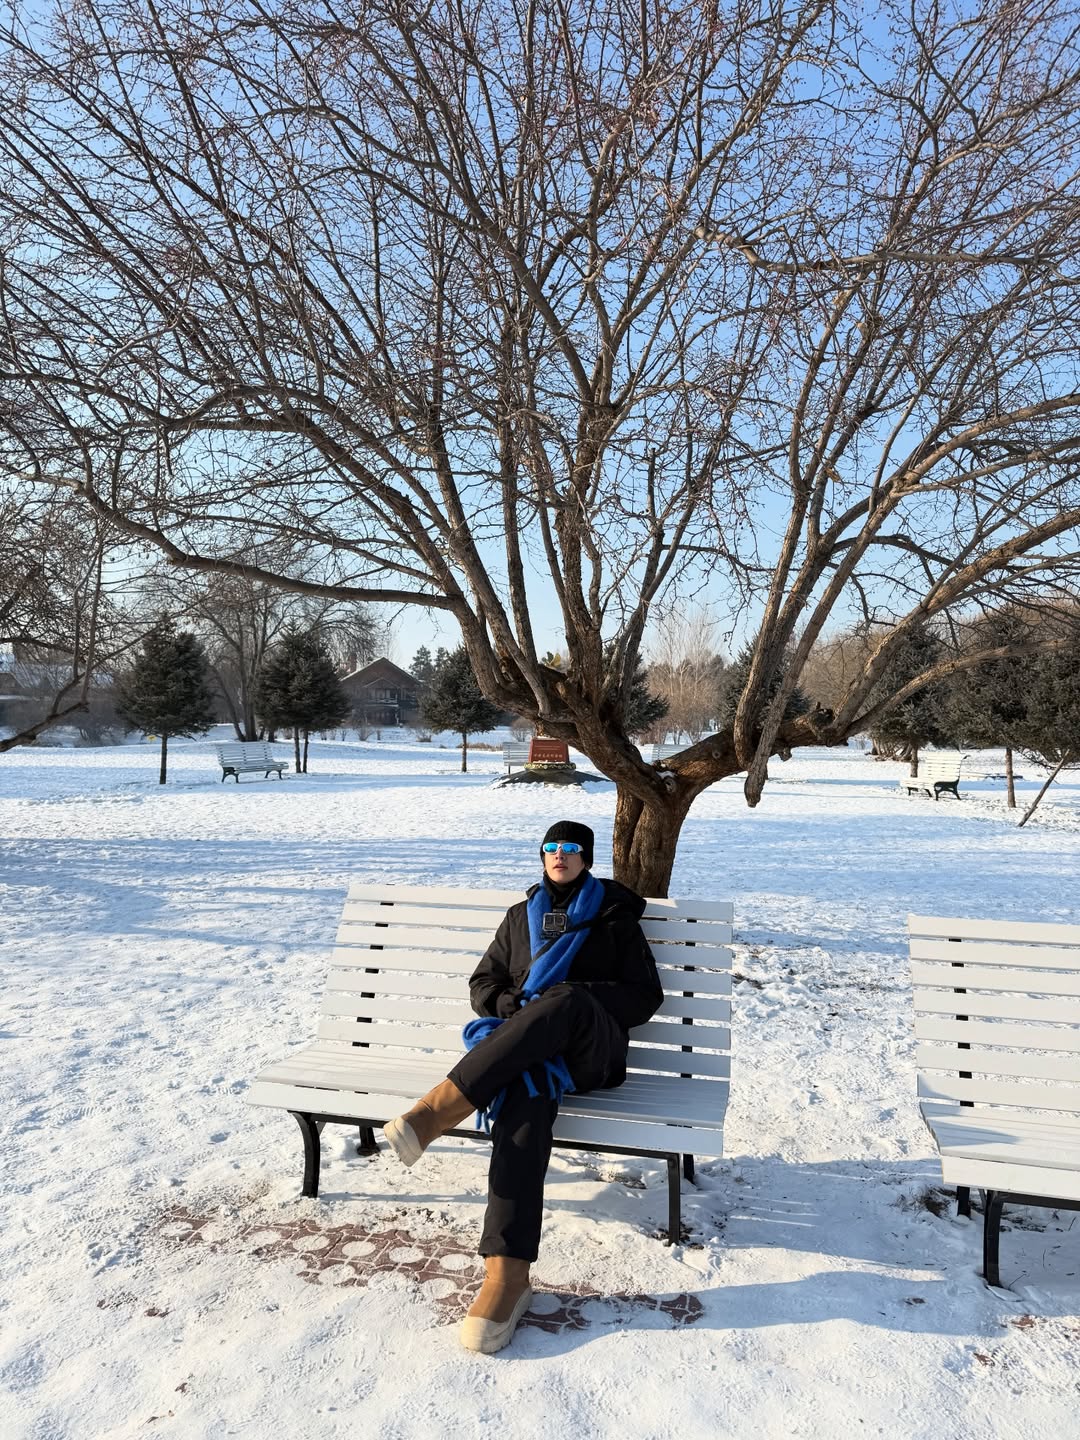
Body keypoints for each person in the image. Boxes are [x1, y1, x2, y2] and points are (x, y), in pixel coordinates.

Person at [382, 820, 663, 1354]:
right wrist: (508, 1007)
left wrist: (573, 999)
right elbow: (483, 984)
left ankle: (436, 1113)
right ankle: (506, 1278)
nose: (560, 855)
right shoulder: (519, 918)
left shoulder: (614, 917)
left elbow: (644, 997)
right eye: (551, 847)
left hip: (590, 1053)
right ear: (541, 856)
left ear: (587, 858)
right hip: (524, 1057)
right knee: (522, 1100)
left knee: (565, 998)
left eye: (571, 848)